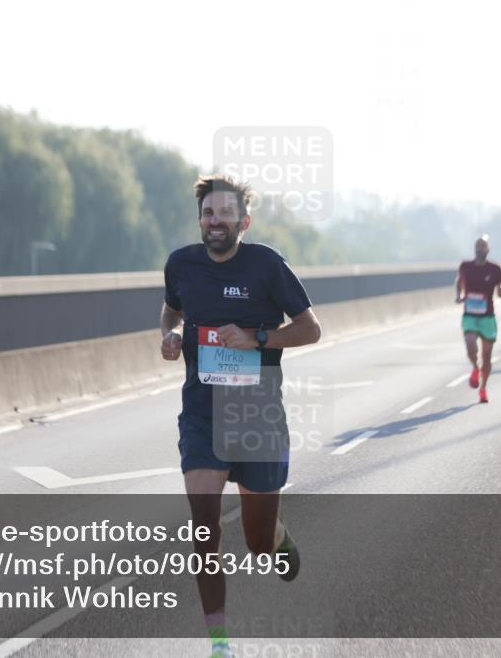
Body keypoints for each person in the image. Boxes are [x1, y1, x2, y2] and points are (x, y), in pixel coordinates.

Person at [160, 174, 322, 658]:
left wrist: (258, 339)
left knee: (257, 543)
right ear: (200, 219)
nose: (216, 221)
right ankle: (220, 644)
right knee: (204, 527)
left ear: (243, 222)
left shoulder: (267, 265)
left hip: (257, 416)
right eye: (208, 213)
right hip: (202, 415)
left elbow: (311, 329)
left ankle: (277, 536)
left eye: (225, 214)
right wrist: (169, 335)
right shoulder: (181, 264)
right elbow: (171, 310)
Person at [456, 236, 501, 404]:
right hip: (470, 314)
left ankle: (483, 388)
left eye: (483, 246)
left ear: (488, 249)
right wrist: (458, 295)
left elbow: (500, 288)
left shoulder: (495, 269)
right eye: (477, 245)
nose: (479, 248)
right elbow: (459, 281)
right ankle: (475, 368)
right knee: (470, 345)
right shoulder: (465, 266)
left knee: (487, 356)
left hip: (487, 317)